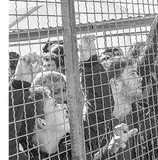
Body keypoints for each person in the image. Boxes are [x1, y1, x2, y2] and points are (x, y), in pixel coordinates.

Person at [9, 53, 137, 160]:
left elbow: (99, 111)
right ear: (42, 122)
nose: (64, 106)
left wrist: (90, 64)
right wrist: (19, 85)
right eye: (55, 105)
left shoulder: (74, 145)